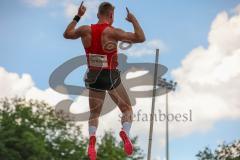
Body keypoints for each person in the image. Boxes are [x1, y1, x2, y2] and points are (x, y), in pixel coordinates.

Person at [63, 1, 145, 160]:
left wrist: (78, 16)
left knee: (94, 113)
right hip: (110, 75)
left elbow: (67, 34)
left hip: (93, 76)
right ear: (111, 15)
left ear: (97, 14)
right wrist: (133, 20)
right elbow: (140, 38)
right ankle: (125, 132)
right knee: (127, 109)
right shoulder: (113, 32)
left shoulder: (85, 30)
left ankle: (92, 140)